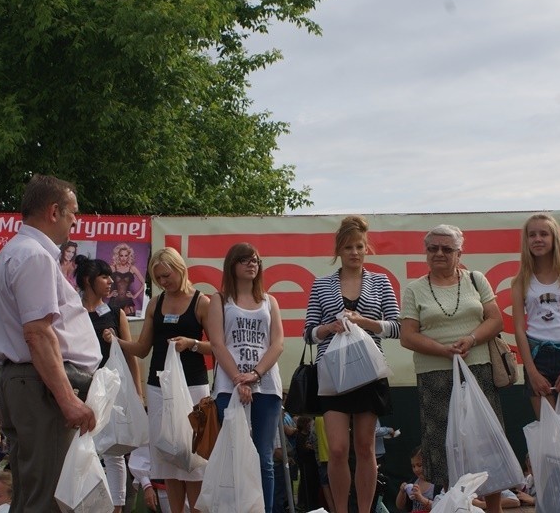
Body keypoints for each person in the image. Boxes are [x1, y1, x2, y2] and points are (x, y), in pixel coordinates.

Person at [0, 174, 102, 512]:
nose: (75, 221)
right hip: (41, 386)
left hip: (26, 381)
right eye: (73, 212)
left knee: (29, 493)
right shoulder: (33, 256)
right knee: (48, 497)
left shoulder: (17, 252)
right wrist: (67, 398)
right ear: (54, 211)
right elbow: (38, 333)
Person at [400, 224, 505, 512]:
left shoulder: (475, 280)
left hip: (478, 370)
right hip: (434, 377)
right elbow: (408, 336)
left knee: (487, 443)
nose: (439, 253)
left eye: (447, 248)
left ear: (459, 252)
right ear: (425, 251)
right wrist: (443, 350)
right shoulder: (414, 289)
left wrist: (471, 339)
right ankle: (455, 507)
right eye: (432, 248)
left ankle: (492, 509)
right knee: (444, 446)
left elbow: (496, 320)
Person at [303, 216, 401, 513]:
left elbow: (397, 327)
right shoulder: (321, 285)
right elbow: (308, 333)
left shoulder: (381, 281)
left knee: (365, 447)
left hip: (368, 371)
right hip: (331, 373)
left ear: (366, 248)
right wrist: (329, 328)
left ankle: (365, 510)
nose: (354, 252)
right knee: (336, 449)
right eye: (348, 247)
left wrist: (364, 322)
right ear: (339, 250)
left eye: (359, 246)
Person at [108, 247, 211, 513]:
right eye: (158, 279)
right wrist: (117, 342)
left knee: (195, 457)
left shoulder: (202, 302)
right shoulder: (156, 303)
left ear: (180, 268)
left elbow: (218, 346)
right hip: (159, 386)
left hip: (193, 386)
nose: (164, 282)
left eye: (167, 275)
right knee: (167, 458)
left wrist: (193, 343)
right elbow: (142, 348)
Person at [207, 243, 285, 513]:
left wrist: (255, 375)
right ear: (232, 265)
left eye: (256, 261)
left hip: (266, 385)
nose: (252, 265)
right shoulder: (219, 300)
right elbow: (217, 344)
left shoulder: (269, 301)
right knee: (234, 456)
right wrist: (239, 380)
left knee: (263, 457)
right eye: (245, 260)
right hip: (229, 387)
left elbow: (277, 344)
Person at [74, 255, 144, 512]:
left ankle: (117, 506)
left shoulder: (115, 313)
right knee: (81, 448)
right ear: (87, 281)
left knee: (114, 451)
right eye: (103, 276)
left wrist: (137, 392)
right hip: (79, 388)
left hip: (110, 389)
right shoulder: (71, 312)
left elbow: (130, 356)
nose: (109, 281)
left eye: (110, 276)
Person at [511, 213, 560, 419]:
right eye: (532, 234)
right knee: (548, 428)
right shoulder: (520, 281)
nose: (537, 239)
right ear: (526, 240)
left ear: (554, 238)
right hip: (537, 355)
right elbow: (519, 328)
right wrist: (532, 372)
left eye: (544, 234)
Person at [396, 447, 438, 512]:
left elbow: (441, 506)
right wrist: (402, 492)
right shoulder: (413, 482)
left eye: (419, 465)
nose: (416, 469)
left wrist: (421, 498)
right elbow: (400, 506)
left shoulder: (438, 484)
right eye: (413, 466)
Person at [110, 243, 146, 315]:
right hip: (114, 301)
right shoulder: (113, 268)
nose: (123, 258)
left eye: (126, 255)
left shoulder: (132, 268)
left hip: (128, 302)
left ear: (129, 256)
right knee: (113, 325)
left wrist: (134, 296)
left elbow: (144, 283)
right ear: (118, 256)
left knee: (131, 325)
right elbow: (101, 280)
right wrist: (109, 294)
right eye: (121, 255)